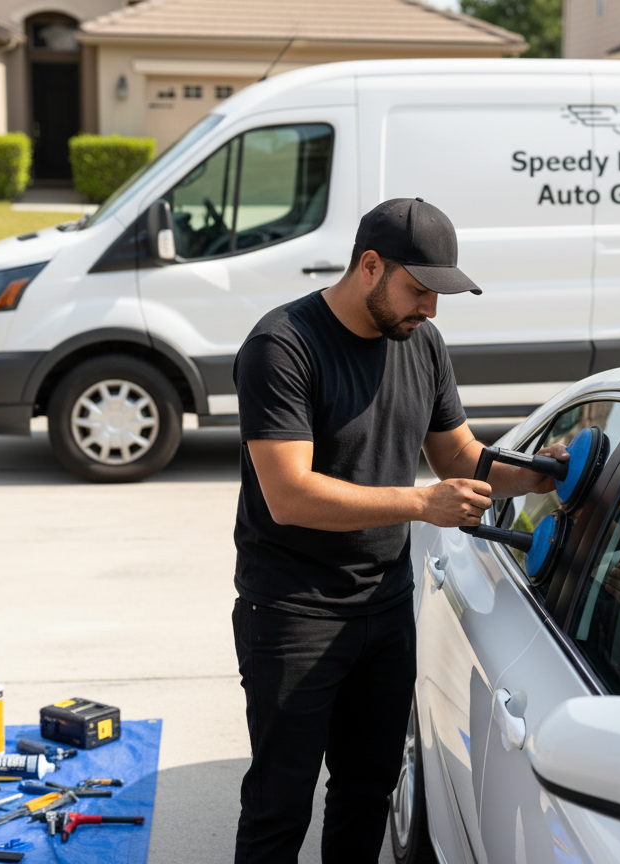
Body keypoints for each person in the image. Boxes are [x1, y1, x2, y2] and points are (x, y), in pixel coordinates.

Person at [231, 197, 565, 863]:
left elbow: (460, 459)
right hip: (295, 610)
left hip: (384, 605)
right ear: (370, 265)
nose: (431, 310)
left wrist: (536, 474)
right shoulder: (283, 347)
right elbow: (288, 495)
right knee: (280, 803)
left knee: (368, 788)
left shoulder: (422, 344)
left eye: (440, 295)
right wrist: (419, 506)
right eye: (418, 291)